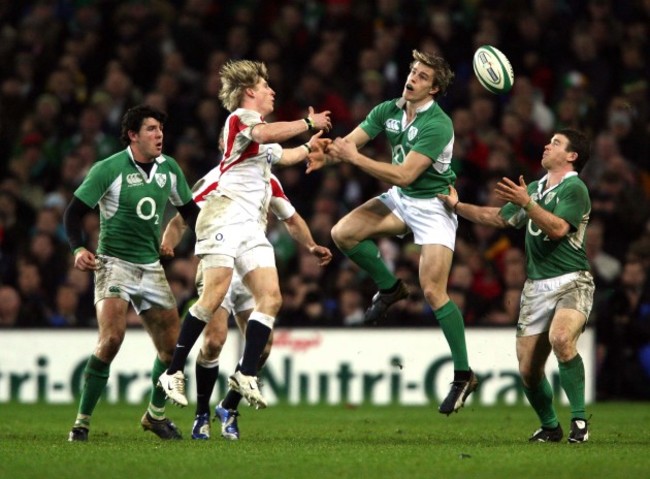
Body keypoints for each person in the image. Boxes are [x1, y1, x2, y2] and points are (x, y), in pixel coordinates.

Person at [307, 49, 477, 415]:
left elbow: (405, 174)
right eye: (412, 71)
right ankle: (390, 287)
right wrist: (328, 153)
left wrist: (353, 159)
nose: (412, 78)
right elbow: (351, 143)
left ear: (433, 89)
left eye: (421, 76)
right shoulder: (389, 110)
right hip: (402, 200)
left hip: (434, 206)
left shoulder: (439, 124)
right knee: (342, 233)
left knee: (434, 291)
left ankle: (464, 375)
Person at [157, 59, 331, 410]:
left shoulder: (261, 153)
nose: (273, 92)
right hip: (223, 219)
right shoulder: (240, 118)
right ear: (250, 91)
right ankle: (173, 371)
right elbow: (266, 133)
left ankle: (246, 372)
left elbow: (288, 152)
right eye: (267, 87)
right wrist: (307, 121)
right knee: (214, 296)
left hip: (251, 228)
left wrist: (313, 147)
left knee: (273, 298)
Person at [437, 128, 594, 443]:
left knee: (562, 339)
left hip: (572, 280)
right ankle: (550, 427)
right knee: (527, 372)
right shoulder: (535, 187)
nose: (547, 144)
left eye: (557, 143)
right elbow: (499, 218)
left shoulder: (575, 188)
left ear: (572, 156)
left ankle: (579, 422)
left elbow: (559, 229)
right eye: (549, 140)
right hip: (536, 287)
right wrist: (457, 207)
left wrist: (528, 204)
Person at [63, 104, 200, 442]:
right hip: (113, 264)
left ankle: (154, 416)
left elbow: (190, 213)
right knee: (112, 339)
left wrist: (202, 244)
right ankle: (81, 423)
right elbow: (73, 214)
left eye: (161, 129)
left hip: (150, 267)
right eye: (151, 129)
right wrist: (79, 249)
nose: (159, 135)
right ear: (133, 135)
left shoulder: (169, 169)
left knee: (172, 351)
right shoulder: (108, 169)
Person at [160, 170, 332, 440]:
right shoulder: (213, 180)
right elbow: (181, 219)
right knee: (214, 341)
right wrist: (168, 243)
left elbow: (292, 218)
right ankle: (201, 414)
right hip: (218, 266)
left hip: (251, 270)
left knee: (262, 348)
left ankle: (228, 406)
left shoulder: (266, 178)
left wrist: (311, 245)